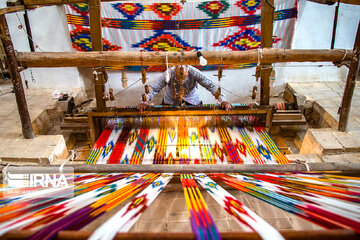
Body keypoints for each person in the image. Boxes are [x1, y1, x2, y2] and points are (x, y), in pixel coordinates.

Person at [137, 65, 232, 112]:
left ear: (188, 71)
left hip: (192, 101)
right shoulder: (169, 73)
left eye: (184, 77)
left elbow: (211, 86)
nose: (181, 80)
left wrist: (223, 100)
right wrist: (144, 102)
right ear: (175, 71)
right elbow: (153, 88)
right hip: (171, 102)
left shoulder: (195, 72)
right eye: (178, 77)